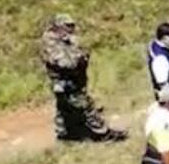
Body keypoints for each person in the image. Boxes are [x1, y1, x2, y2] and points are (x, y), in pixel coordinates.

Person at [40, 14, 127, 142]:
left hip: (75, 80)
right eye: (68, 26)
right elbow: (66, 63)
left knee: (64, 108)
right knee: (86, 106)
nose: (71, 29)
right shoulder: (50, 42)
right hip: (65, 82)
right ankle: (103, 132)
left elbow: (81, 52)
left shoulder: (67, 39)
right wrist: (79, 58)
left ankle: (65, 134)